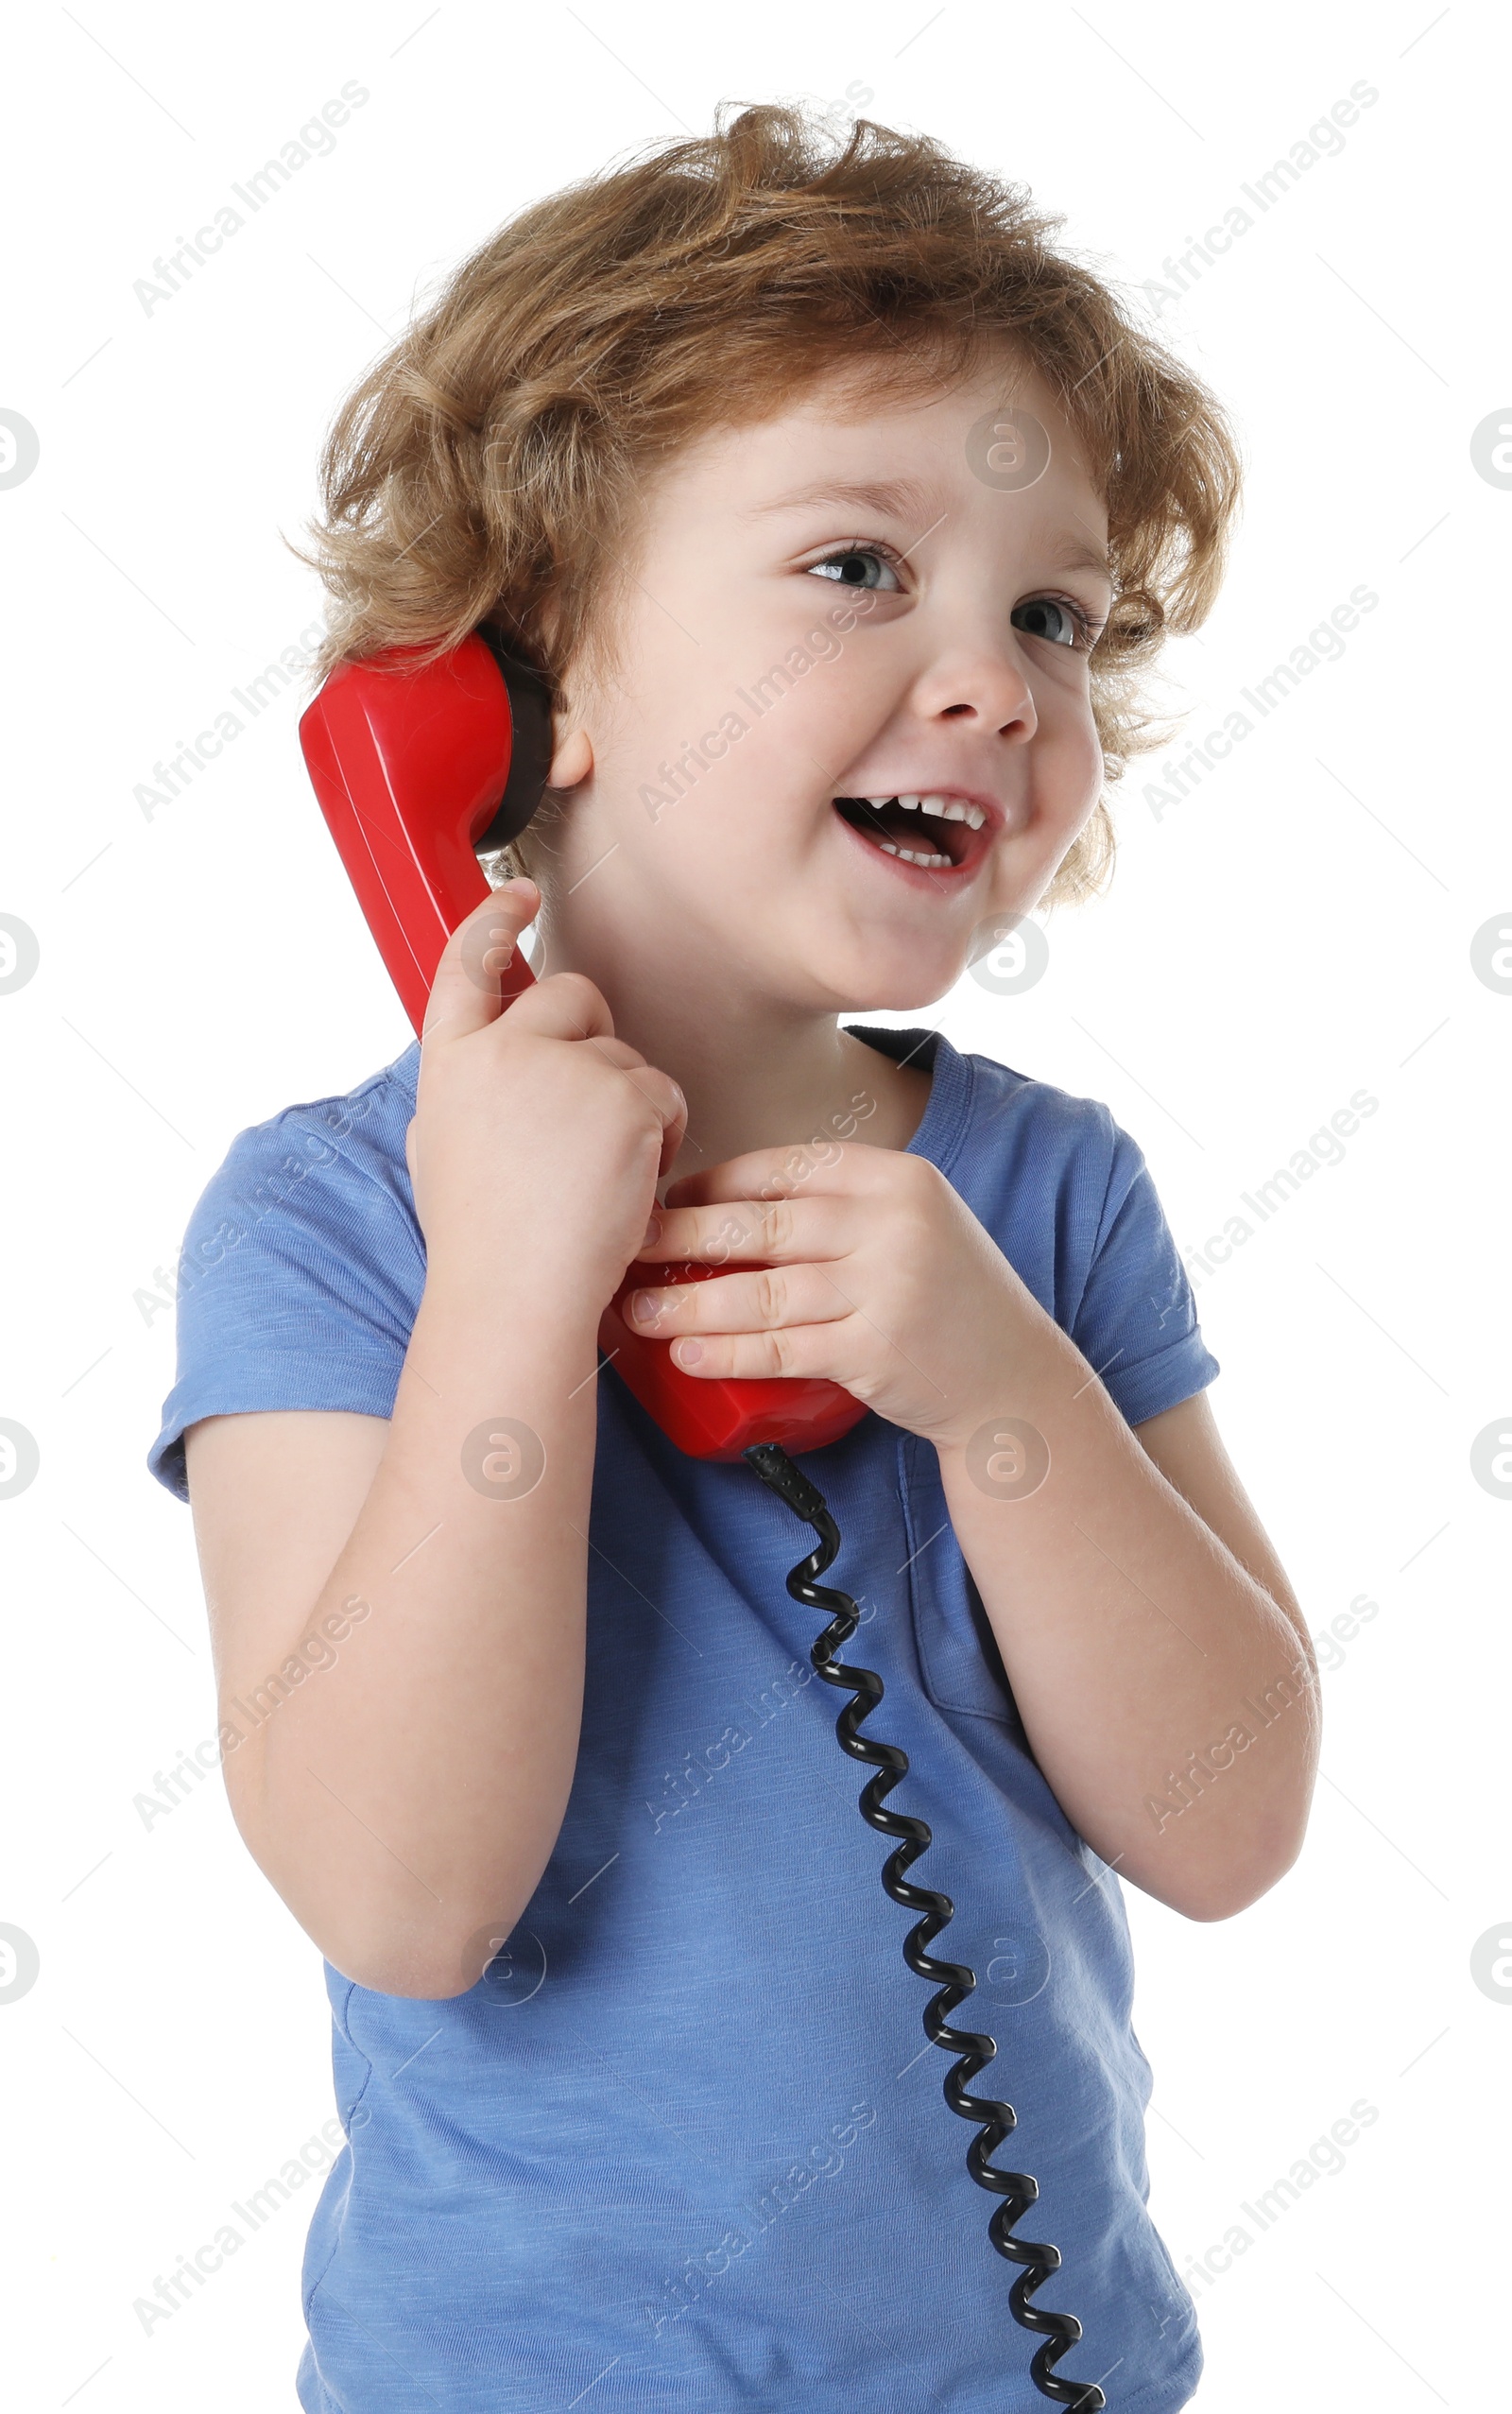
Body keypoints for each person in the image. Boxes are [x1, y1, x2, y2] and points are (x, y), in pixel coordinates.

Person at [148, 101, 1319, 2414]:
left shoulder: (1043, 1196)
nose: (991, 675)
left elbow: (1224, 1817)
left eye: (1051, 614)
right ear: (524, 675)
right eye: (856, 567)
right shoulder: (323, 1224)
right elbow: (403, 1895)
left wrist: (997, 1383)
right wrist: (504, 1284)